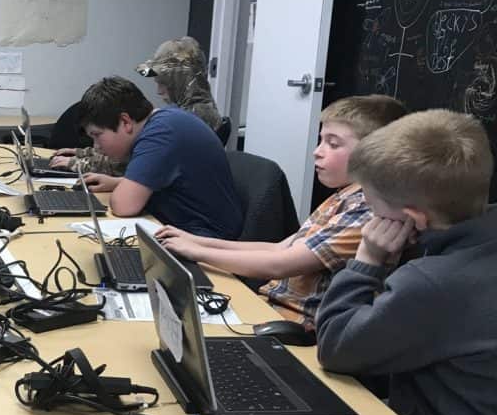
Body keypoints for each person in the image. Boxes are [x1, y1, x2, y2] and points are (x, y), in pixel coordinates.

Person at [316, 109, 497, 415]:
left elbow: (335, 347)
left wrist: (367, 259)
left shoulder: (433, 283)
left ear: (412, 218)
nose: (368, 215)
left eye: (371, 205)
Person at [157, 95, 408, 328]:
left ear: (375, 154)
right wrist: (194, 241)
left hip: (294, 326)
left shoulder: (366, 213)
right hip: (268, 307)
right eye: (321, 140)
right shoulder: (343, 196)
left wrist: (197, 252)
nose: (317, 151)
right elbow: (278, 248)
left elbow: (279, 264)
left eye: (333, 144)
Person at [77, 76, 242, 239]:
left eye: (97, 135)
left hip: (206, 241)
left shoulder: (160, 134)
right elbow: (166, 179)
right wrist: (116, 183)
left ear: (125, 122)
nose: (96, 146)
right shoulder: (166, 119)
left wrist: (123, 189)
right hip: (186, 229)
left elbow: (123, 206)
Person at [51, 36, 222, 174]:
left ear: (181, 80)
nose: (159, 91)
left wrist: (77, 163)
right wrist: (84, 153)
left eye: (164, 83)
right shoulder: (183, 112)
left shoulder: (194, 116)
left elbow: (135, 164)